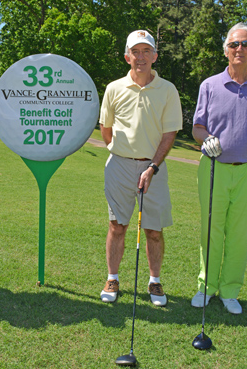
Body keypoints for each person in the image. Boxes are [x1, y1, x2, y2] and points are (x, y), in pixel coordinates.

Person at [191, 23, 247, 315]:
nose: (238, 49)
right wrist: (207, 139)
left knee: (240, 233)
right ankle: (206, 286)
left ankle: (230, 290)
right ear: (225, 50)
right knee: (211, 230)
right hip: (214, 168)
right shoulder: (209, 85)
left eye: (245, 44)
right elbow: (197, 128)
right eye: (233, 45)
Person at [99, 30, 183, 305]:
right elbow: (106, 128)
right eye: (136, 51)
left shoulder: (168, 90)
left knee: (154, 229)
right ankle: (112, 278)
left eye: (147, 51)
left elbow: (169, 133)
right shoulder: (114, 88)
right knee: (116, 225)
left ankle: (155, 282)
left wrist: (152, 166)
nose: (141, 56)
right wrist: (121, 154)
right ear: (127, 57)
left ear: (155, 56)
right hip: (119, 167)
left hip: (153, 168)